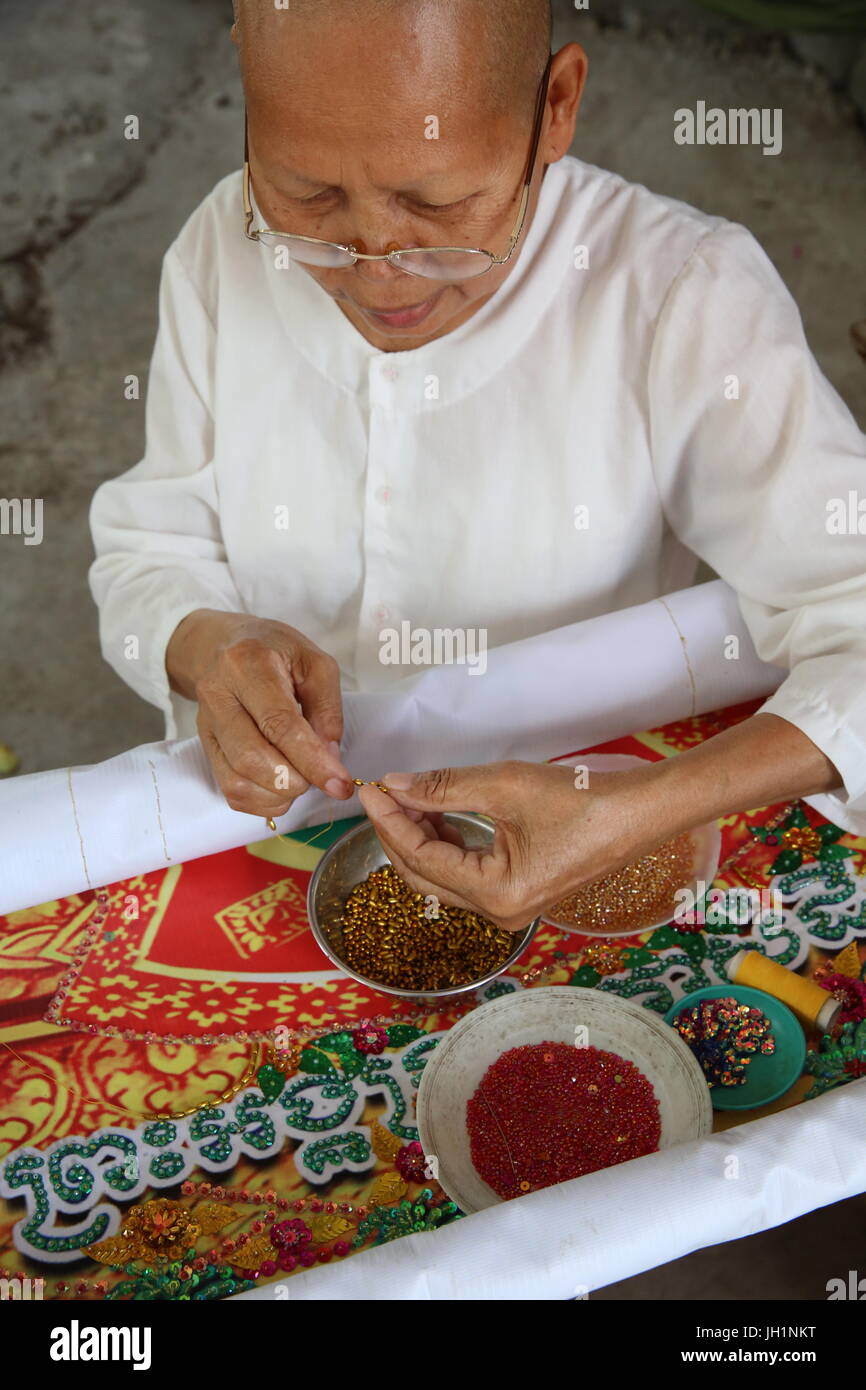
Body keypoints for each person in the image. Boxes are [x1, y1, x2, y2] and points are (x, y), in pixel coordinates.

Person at [89, 0, 866, 933]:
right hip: (258, 835)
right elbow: (148, 547)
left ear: (557, 106)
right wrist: (206, 643)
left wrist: (638, 811)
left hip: (583, 842)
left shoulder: (678, 296)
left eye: (439, 205)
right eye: (307, 196)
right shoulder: (225, 246)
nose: (379, 272)